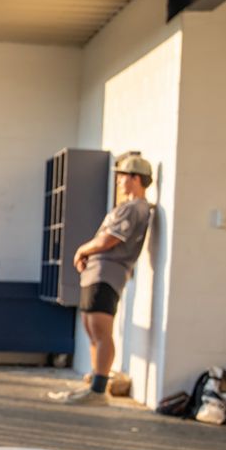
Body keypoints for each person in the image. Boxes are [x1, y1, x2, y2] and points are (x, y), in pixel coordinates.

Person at [50, 152, 155, 405]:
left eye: (123, 177)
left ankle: (99, 391)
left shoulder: (135, 208)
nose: (119, 181)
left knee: (100, 328)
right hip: (97, 271)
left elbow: (111, 240)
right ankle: (95, 385)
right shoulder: (127, 206)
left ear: (136, 178)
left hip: (108, 272)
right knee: (90, 326)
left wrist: (83, 249)